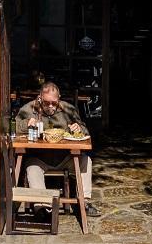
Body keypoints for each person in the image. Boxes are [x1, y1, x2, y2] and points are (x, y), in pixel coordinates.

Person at [15, 82, 100, 217]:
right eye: (46, 102)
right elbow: (14, 127)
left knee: (85, 160)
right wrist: (26, 124)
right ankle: (42, 207)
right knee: (32, 168)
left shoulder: (68, 109)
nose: (50, 106)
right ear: (40, 98)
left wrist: (79, 128)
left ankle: (84, 202)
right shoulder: (29, 109)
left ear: (59, 98)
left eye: (54, 103)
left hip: (64, 157)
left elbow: (85, 130)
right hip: (39, 158)